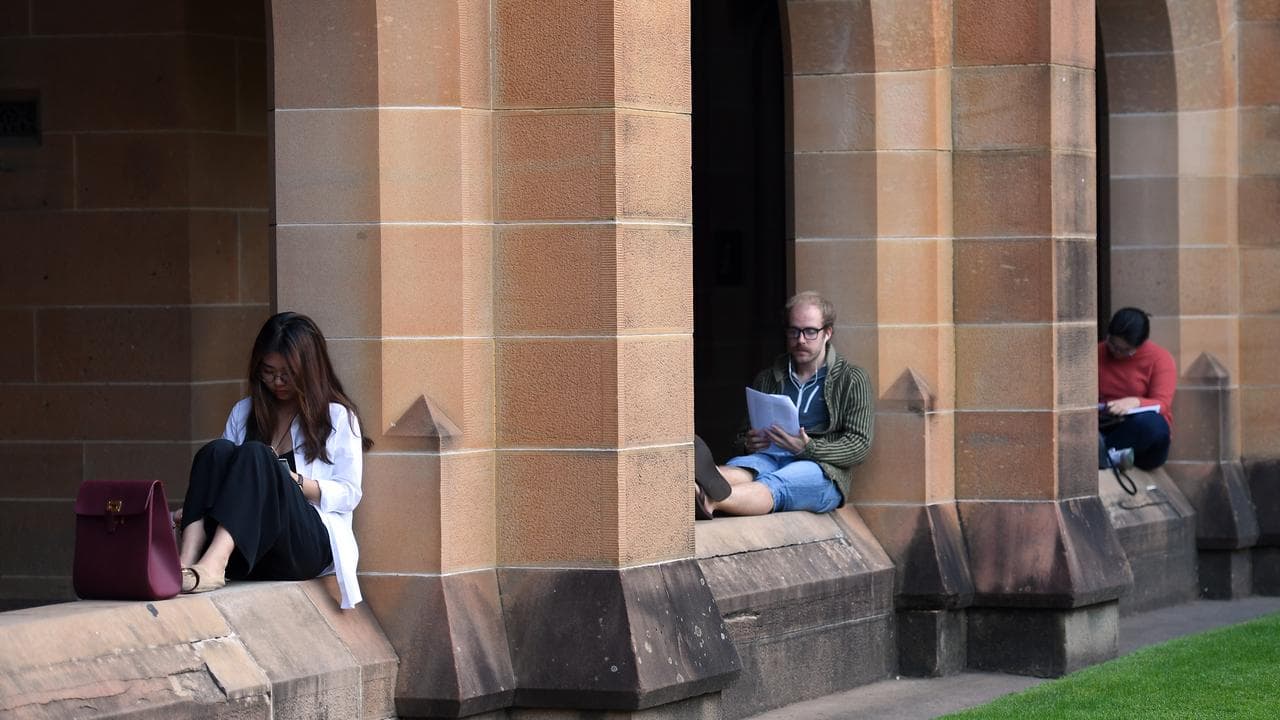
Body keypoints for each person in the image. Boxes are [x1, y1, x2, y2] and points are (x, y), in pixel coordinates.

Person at [173, 312, 371, 609]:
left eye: (287, 373)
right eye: (268, 371)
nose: (277, 381)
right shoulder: (244, 411)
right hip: (252, 550)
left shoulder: (337, 417)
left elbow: (349, 494)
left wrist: (296, 483)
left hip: (304, 545)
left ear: (309, 370)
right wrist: (193, 508)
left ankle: (214, 564)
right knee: (215, 451)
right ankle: (185, 565)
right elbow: (224, 477)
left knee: (256, 454)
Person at [694, 291, 874, 518]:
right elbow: (741, 436)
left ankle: (708, 500)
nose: (800, 340)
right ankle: (694, 486)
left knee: (777, 483)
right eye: (794, 331)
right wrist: (749, 443)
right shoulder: (768, 378)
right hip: (769, 457)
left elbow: (859, 445)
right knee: (744, 467)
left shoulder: (852, 378)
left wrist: (807, 448)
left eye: (810, 331)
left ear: (827, 333)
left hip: (820, 470)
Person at [1098, 307, 1175, 471]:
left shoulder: (1160, 359)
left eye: (1125, 350)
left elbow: (1163, 404)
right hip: (1104, 426)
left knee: (1151, 423)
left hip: (1140, 435)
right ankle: (1107, 456)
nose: (1116, 353)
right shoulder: (1097, 353)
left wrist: (1134, 402)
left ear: (1140, 345)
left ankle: (1106, 456)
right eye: (1112, 345)